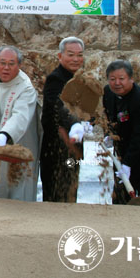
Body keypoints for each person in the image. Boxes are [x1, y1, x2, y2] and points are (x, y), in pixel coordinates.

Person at [0, 45, 40, 201]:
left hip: (19, 140)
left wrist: (4, 135)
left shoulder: (26, 87)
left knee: (18, 181)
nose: (6, 68)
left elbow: (21, 116)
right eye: (2, 62)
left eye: (11, 64)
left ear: (19, 65)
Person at [103, 60, 140, 206]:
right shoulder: (108, 93)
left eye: (121, 79)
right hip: (122, 157)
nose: (117, 83)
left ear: (131, 79)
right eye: (112, 79)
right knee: (120, 200)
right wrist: (109, 135)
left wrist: (128, 163)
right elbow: (109, 116)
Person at [39, 36, 85, 202]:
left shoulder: (81, 79)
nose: (75, 59)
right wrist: (74, 124)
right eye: (71, 54)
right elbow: (59, 105)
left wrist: (89, 121)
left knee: (71, 187)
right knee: (55, 193)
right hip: (55, 150)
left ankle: (68, 221)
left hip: (74, 151)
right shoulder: (56, 79)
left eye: (79, 55)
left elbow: (87, 106)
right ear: (60, 56)